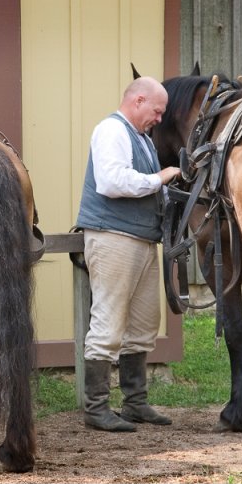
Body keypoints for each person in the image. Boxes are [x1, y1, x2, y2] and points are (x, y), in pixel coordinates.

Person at [75, 76, 181, 432]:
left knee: (142, 324)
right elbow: (111, 181)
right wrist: (160, 178)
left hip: (140, 240)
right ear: (137, 100)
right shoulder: (111, 131)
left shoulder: (141, 139)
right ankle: (96, 408)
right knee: (107, 322)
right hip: (112, 237)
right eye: (157, 110)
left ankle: (135, 403)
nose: (159, 119)